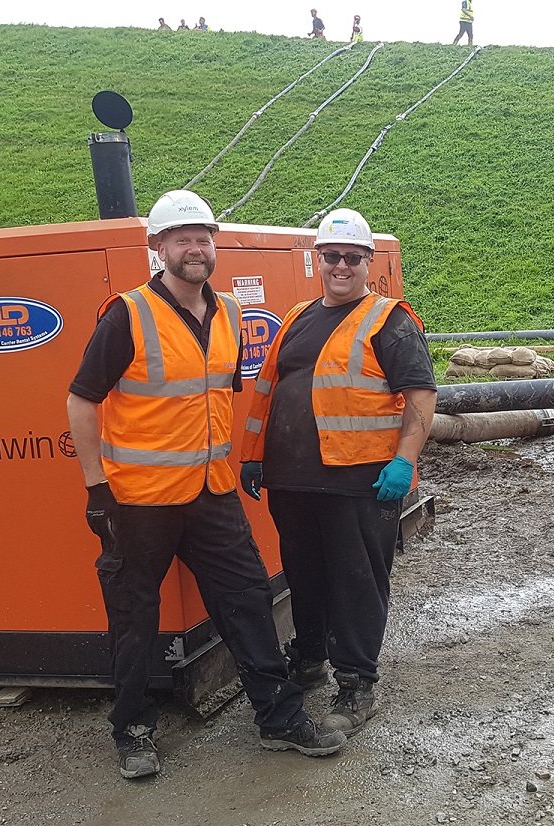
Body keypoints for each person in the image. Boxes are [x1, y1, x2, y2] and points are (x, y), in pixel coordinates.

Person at [67, 189, 346, 780]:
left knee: (248, 603)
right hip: (139, 501)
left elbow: (215, 401)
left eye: (203, 238)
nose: (195, 248)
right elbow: (81, 400)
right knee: (135, 616)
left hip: (211, 493)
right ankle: (133, 729)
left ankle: (278, 718)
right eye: (182, 239)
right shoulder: (127, 314)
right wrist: (97, 487)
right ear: (159, 248)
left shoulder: (229, 316)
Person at [239, 210, 437, 739]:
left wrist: (405, 461)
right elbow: (269, 391)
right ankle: (309, 659)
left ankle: (356, 683)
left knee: (356, 582)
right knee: (304, 577)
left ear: (368, 263)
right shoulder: (298, 316)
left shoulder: (389, 319)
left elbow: (420, 395)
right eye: (332, 256)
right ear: (317, 260)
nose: (342, 266)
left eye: (353, 257)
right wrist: (255, 455)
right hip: (293, 480)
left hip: (361, 481)